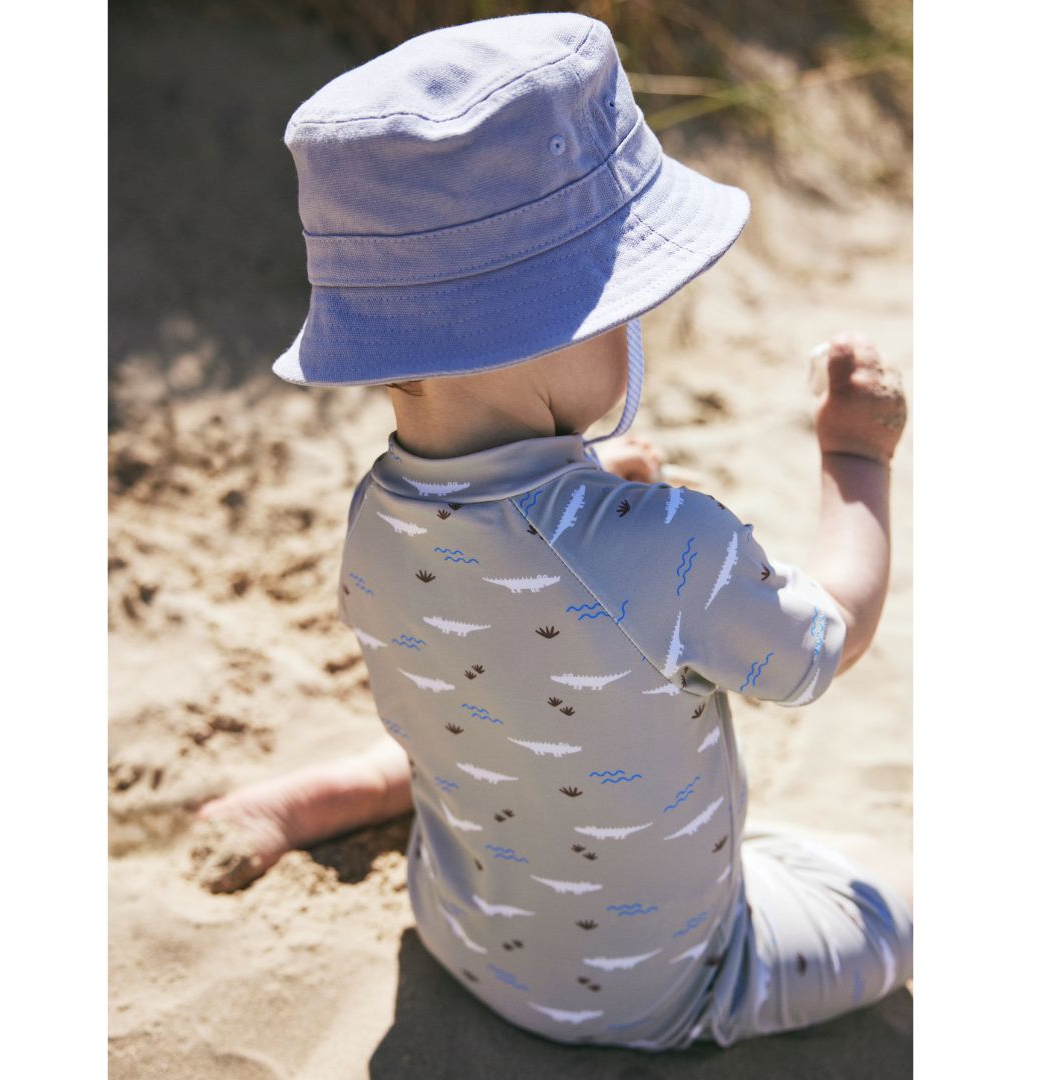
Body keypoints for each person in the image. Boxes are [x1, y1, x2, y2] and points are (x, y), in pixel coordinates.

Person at [193, 11, 911, 1051]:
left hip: (458, 929)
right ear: (560, 324)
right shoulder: (671, 547)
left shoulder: (377, 516)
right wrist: (856, 462)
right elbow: (831, 637)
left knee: (484, 708)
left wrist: (598, 486)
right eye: (630, 304)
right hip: (667, 986)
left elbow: (516, 573)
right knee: (906, 891)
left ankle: (324, 799)